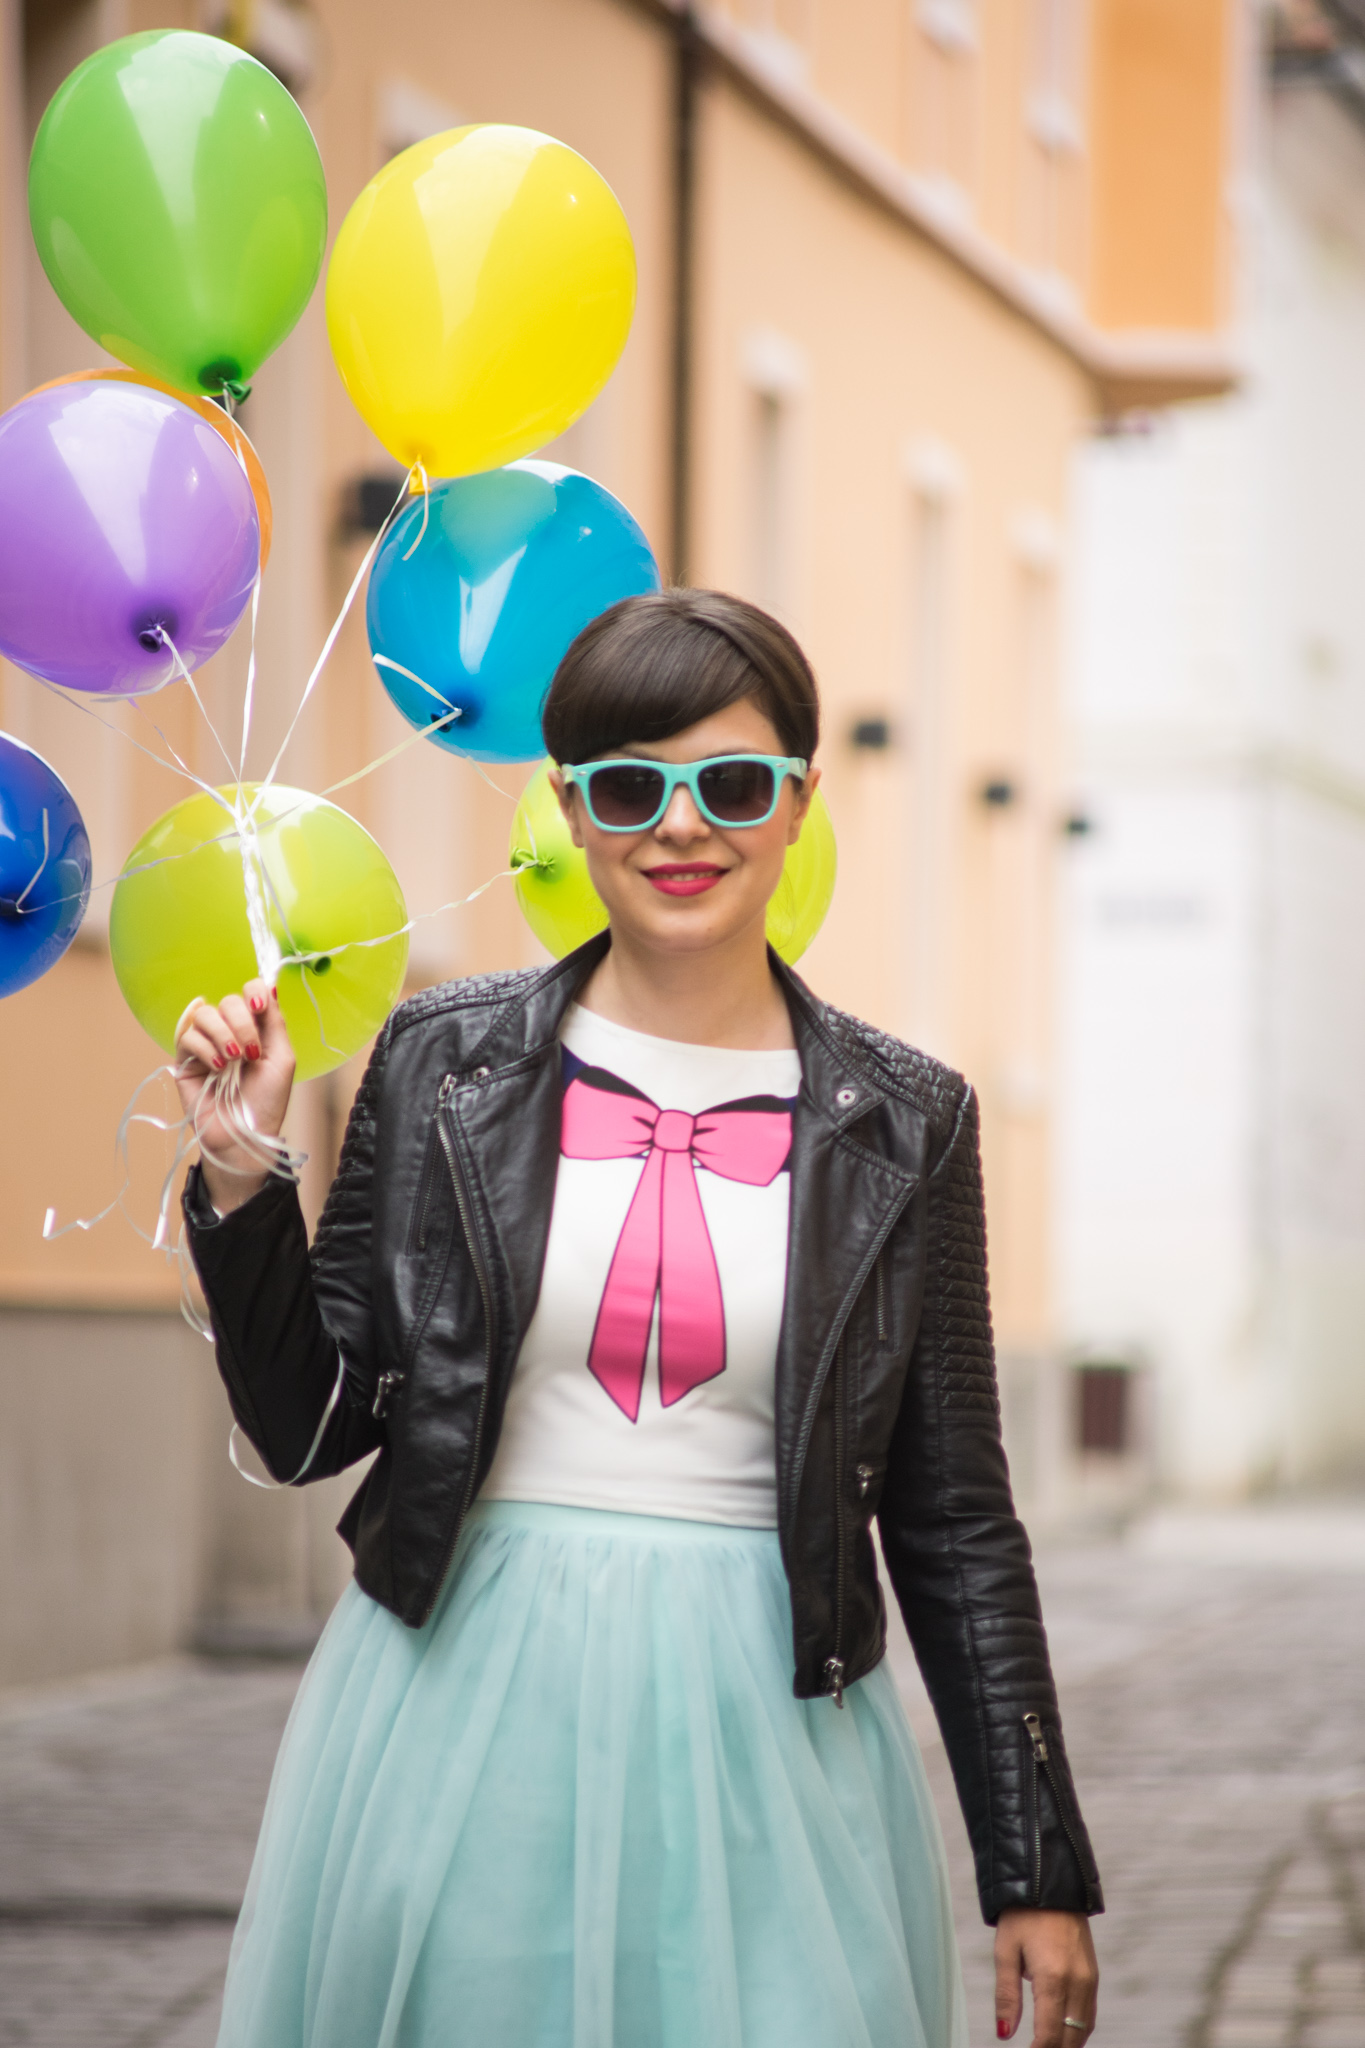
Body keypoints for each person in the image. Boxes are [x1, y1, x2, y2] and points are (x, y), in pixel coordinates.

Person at [179, 590, 1102, 2048]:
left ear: (797, 803)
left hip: (773, 1718)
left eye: (730, 785)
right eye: (629, 787)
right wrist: (242, 1170)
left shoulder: (907, 1121)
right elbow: (308, 1430)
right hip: (455, 1702)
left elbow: (953, 1517)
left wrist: (1033, 1865)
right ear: (570, 809)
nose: (682, 829)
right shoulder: (438, 1062)